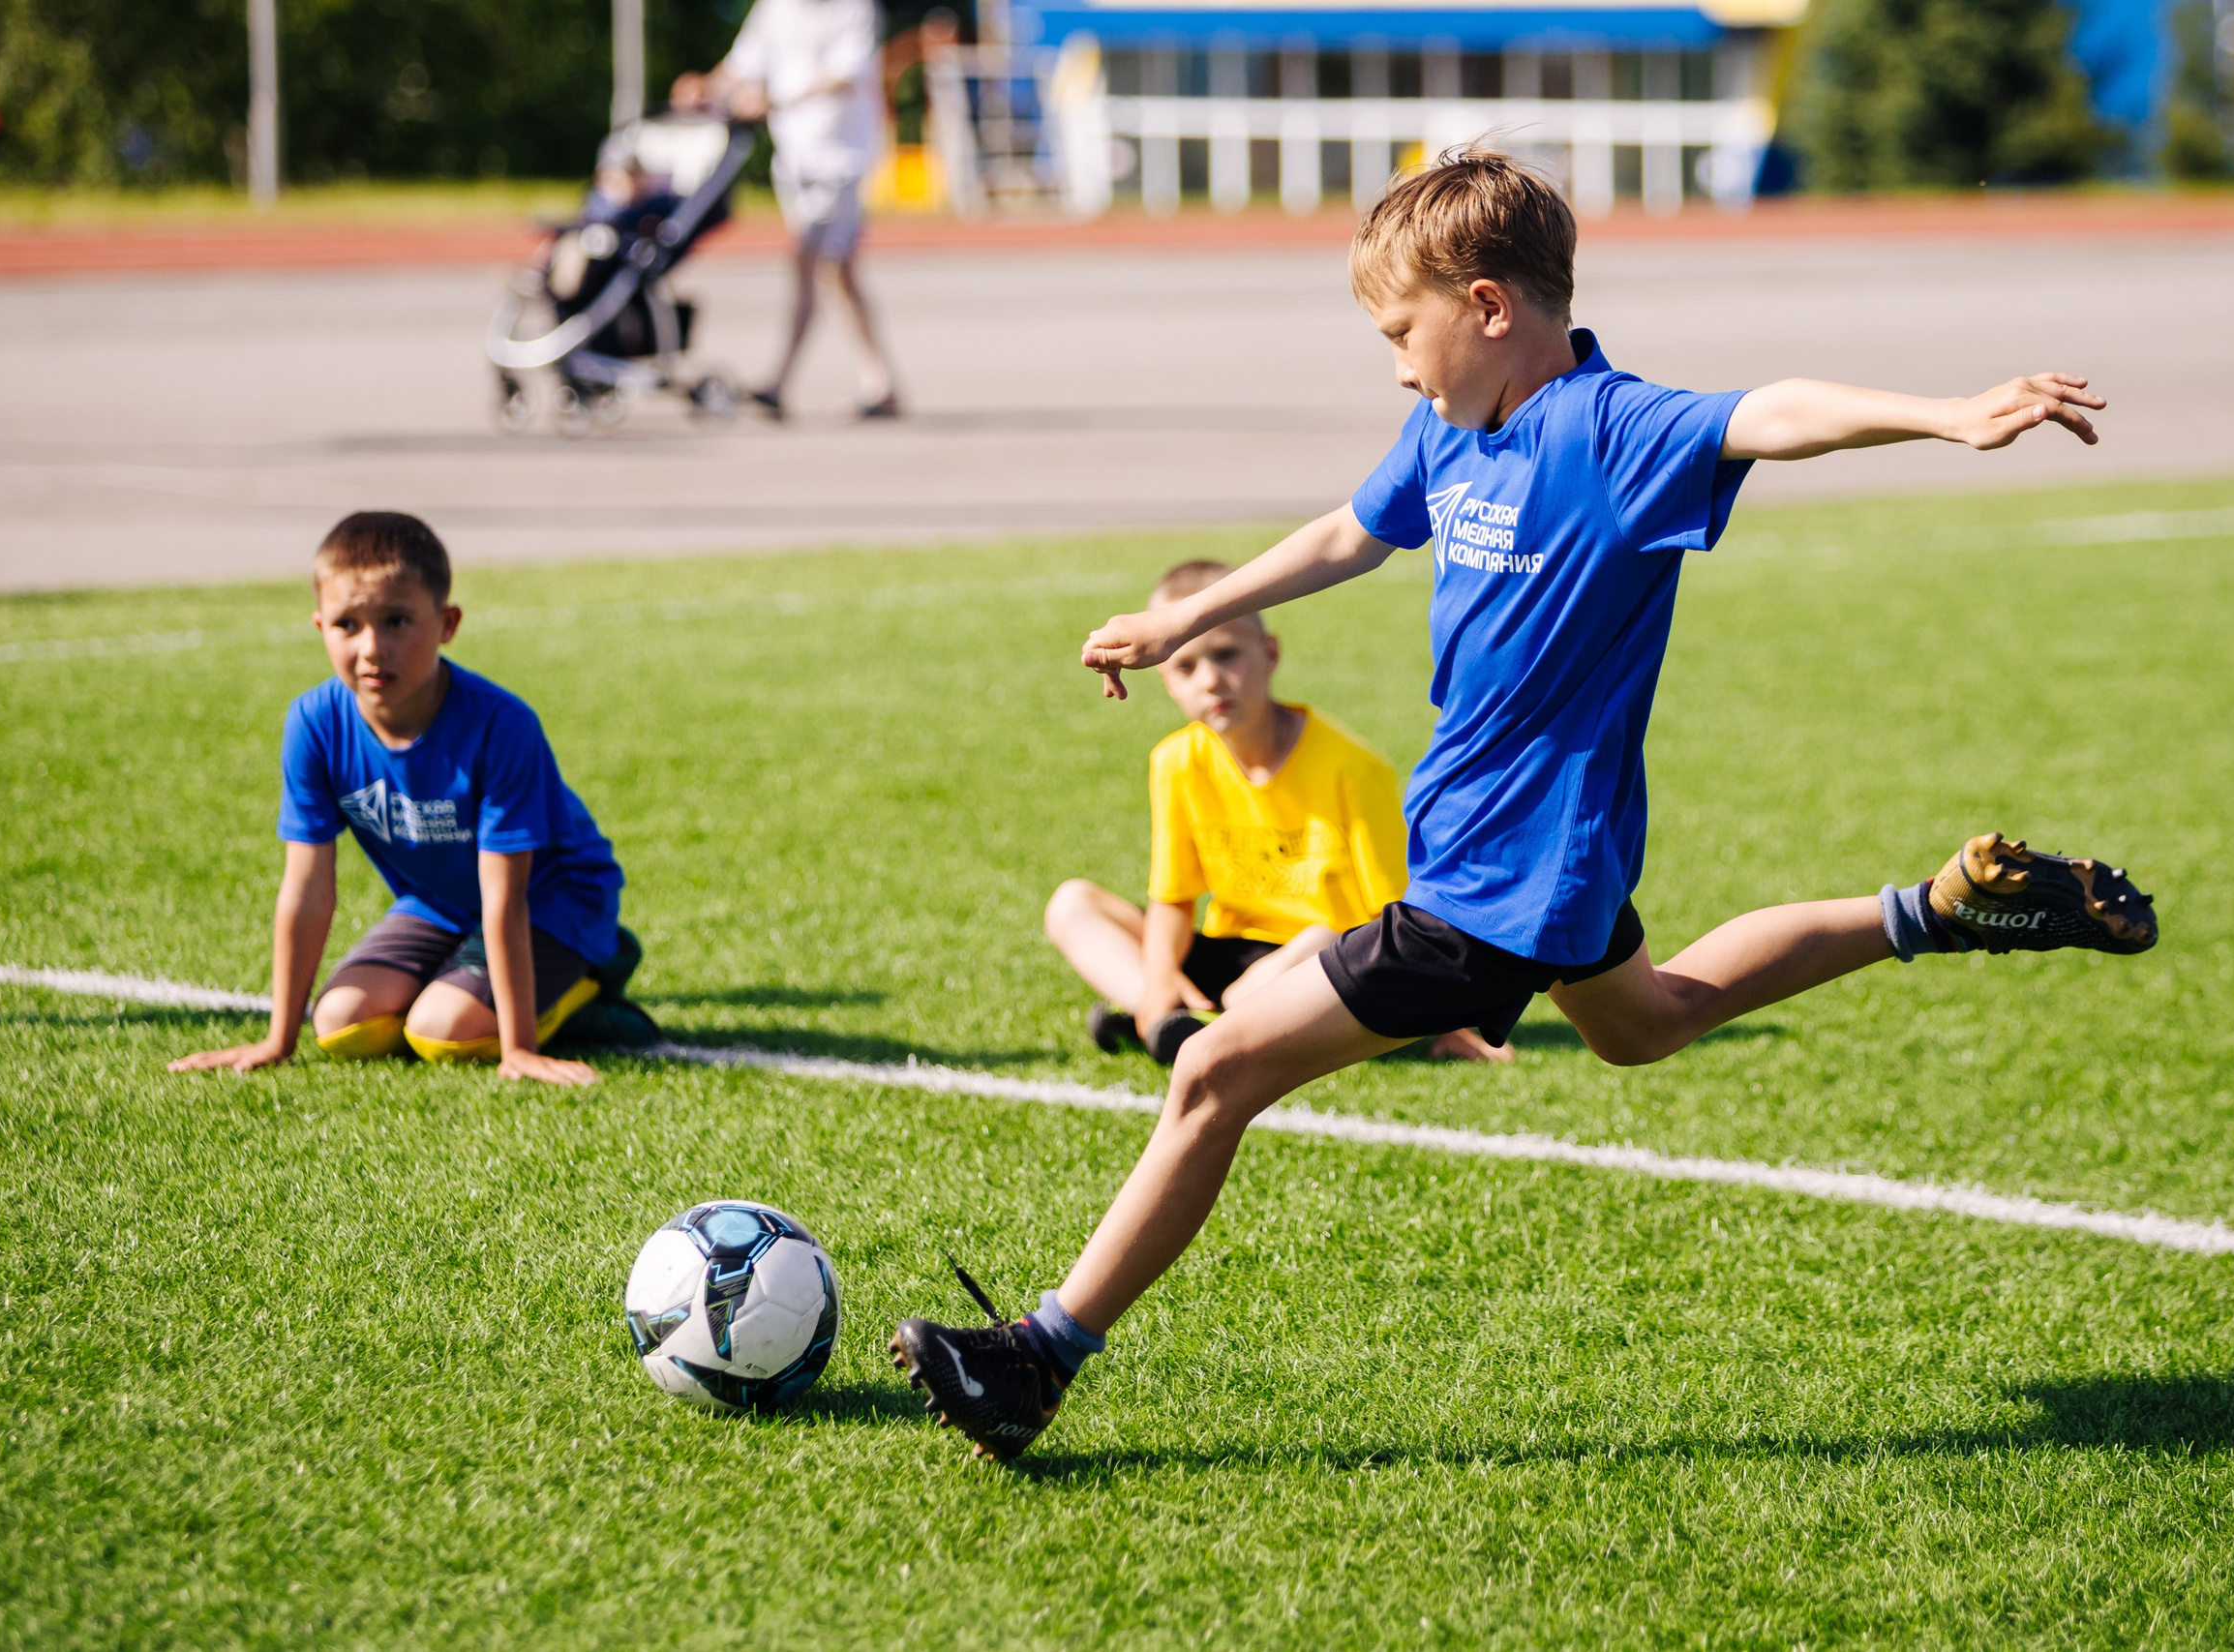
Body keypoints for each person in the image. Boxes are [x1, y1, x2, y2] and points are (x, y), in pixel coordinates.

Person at [889, 150, 2160, 1461]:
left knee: (1213, 1068)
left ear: (1489, 307)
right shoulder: (1453, 426)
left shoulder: (1608, 429)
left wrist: (1951, 413)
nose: (1395, 365)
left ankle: (1036, 1357)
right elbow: (1355, 529)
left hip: (1501, 881)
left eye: (1402, 332)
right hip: (1534, 862)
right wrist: (1185, 613)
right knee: (1648, 1020)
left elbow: (1764, 411)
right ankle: (1941, 909)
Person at [168, 512, 655, 1087]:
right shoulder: (314, 722)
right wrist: (280, 1039)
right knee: (340, 1024)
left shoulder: (503, 725)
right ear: (319, 625)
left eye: (397, 621)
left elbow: (505, 894)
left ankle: (594, 973)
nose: (372, 648)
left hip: (553, 903)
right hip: (439, 903)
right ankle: (464, 978)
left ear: (447, 623)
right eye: (348, 625)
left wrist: (518, 1049)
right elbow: (307, 886)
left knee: (443, 1030)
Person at [1044, 558, 1509, 1068]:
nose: (1211, 680)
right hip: (1232, 957)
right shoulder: (1175, 762)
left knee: (1316, 941)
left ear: (1269, 654)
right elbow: (1173, 901)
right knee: (1072, 906)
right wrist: (1157, 979)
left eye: (1226, 654)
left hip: (1330, 964)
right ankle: (1164, 1017)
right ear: (1166, 679)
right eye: (1185, 665)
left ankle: (1193, 1027)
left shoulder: (1353, 768)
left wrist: (1448, 1020)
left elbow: (1397, 919)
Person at [673, 0, 900, 421]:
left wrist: (775, 99)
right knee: (839, 271)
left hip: (840, 160)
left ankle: (779, 382)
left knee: (806, 260)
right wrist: (705, 86)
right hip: (795, 160)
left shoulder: (853, 9)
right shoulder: (775, 8)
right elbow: (742, 66)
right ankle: (881, 382)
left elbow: (844, 75)